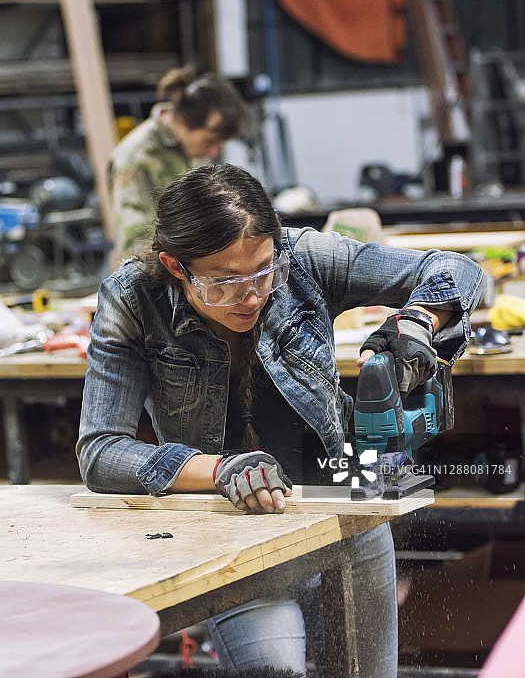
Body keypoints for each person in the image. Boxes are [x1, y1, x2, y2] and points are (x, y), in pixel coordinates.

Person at [77, 164, 485, 678]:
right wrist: (222, 469)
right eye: (225, 282)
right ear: (175, 266)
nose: (251, 297)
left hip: (346, 515)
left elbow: (457, 270)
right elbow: (100, 450)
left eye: (262, 272)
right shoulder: (133, 300)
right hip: (235, 538)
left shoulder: (305, 258)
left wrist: (418, 320)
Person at [107, 65, 249, 264]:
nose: (214, 151)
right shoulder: (136, 158)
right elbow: (134, 244)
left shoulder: (193, 149)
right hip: (154, 273)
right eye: (209, 141)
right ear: (182, 120)